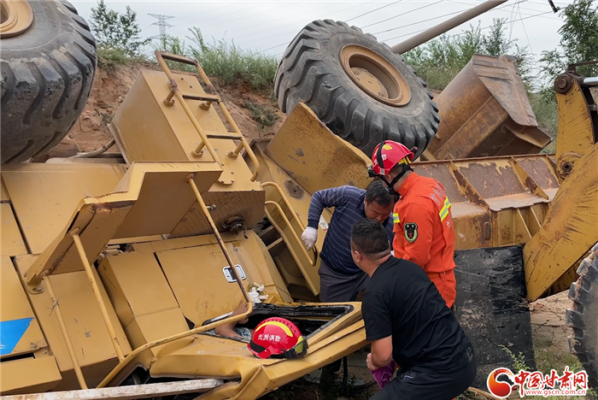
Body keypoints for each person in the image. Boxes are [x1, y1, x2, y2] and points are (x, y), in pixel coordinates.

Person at [350, 219, 476, 400]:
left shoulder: (375, 294)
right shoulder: (410, 268)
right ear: (387, 244)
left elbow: (383, 356)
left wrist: (373, 360)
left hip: (440, 372)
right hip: (465, 357)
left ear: (357, 255)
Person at [368, 140, 457, 309]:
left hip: (428, 287)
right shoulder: (430, 185)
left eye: (380, 179)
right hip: (440, 280)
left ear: (387, 177)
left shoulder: (413, 205)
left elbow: (417, 258)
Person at [301, 179, 395, 303]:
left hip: (365, 273)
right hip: (335, 274)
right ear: (365, 201)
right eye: (375, 212)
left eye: (385, 214)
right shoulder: (348, 195)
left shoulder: (392, 223)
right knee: (332, 313)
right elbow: (319, 197)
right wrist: (312, 227)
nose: (379, 219)